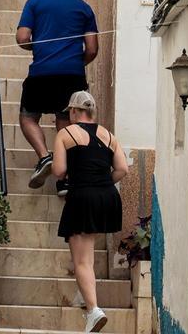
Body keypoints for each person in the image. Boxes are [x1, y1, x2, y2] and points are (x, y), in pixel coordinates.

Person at [16, 0, 99, 196]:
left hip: (42, 73)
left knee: (28, 117)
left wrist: (42, 50)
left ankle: (44, 158)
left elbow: (22, 38)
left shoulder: (35, 2)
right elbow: (92, 49)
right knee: (65, 125)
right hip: (72, 76)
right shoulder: (84, 8)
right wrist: (73, 62)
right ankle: (65, 181)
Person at [53, 90, 126, 333]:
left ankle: (93, 311)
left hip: (82, 195)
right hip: (107, 197)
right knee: (88, 254)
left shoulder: (66, 133)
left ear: (74, 111)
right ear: (92, 111)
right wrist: (102, 181)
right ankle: (85, 296)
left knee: (81, 260)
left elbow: (59, 171)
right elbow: (122, 169)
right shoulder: (108, 135)